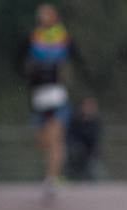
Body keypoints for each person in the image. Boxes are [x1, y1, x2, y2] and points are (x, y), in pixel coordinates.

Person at [17, 3, 84, 198]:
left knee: (55, 139)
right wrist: (27, 75)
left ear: (54, 17)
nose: (44, 18)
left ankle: (51, 178)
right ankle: (55, 168)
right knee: (42, 140)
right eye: (41, 15)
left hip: (56, 93)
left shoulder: (64, 37)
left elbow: (78, 60)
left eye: (47, 15)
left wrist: (70, 77)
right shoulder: (33, 37)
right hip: (38, 95)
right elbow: (18, 60)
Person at [64, 96, 104, 181]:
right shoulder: (74, 120)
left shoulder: (96, 121)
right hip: (76, 152)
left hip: (90, 154)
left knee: (96, 174)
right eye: (86, 105)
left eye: (91, 106)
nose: (89, 108)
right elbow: (69, 136)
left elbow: (95, 139)